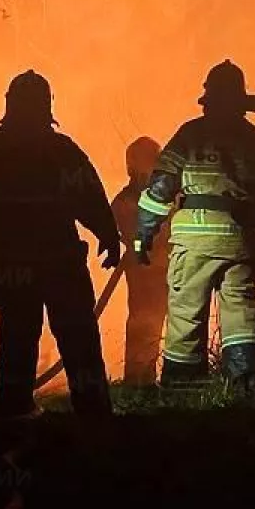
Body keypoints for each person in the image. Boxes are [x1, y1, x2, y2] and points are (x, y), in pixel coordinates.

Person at [0, 70, 119, 418]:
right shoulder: (62, 151)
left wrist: (6, 134)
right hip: (61, 264)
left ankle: (15, 412)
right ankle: (93, 415)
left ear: (9, 106)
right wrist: (107, 233)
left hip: (13, 264)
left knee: (16, 340)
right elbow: (88, 195)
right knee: (79, 341)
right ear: (48, 107)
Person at [134, 59, 255, 402]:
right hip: (240, 241)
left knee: (186, 313)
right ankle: (245, 391)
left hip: (193, 242)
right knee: (241, 310)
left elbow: (160, 187)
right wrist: (247, 216)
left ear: (209, 100)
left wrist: (143, 234)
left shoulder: (190, 135)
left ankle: (183, 396)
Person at [111, 137, 170, 386]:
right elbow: (133, 237)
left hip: (168, 273)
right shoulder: (125, 202)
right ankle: (138, 381)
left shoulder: (166, 196)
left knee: (165, 327)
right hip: (145, 276)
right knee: (144, 326)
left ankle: (159, 381)